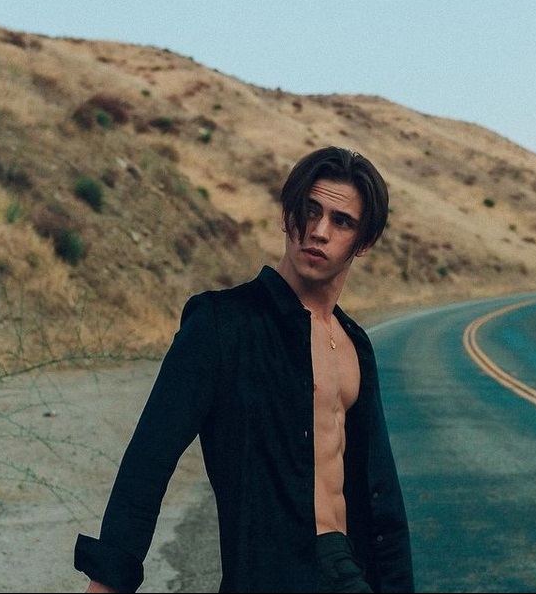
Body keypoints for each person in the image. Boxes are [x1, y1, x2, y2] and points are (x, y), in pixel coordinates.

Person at [74, 147, 414, 593]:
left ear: (363, 243)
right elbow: (149, 461)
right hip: (269, 576)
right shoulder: (222, 324)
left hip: (349, 574)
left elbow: (381, 496)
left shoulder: (355, 344)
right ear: (286, 216)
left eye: (342, 221)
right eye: (309, 211)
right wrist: (108, 581)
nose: (318, 231)